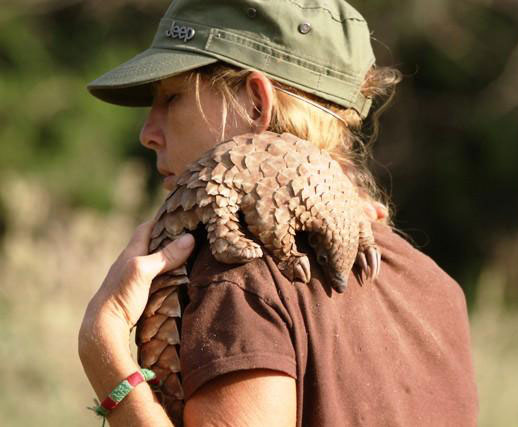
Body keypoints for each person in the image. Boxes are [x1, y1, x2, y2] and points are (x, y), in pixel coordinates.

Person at [78, 0, 478, 426]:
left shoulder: (238, 272)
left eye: (172, 98)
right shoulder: (436, 288)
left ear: (256, 105)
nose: (148, 133)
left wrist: (104, 352)